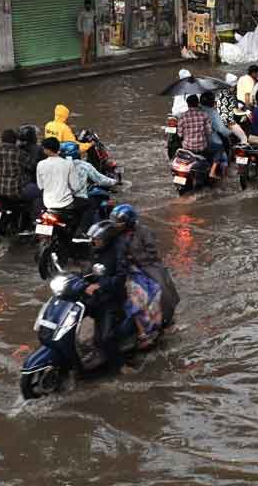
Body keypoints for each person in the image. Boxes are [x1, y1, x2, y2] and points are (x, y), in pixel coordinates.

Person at [111, 204, 179, 328]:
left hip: (148, 265)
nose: (116, 226)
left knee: (161, 288)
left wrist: (135, 259)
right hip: (128, 267)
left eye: (119, 223)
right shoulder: (117, 235)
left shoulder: (144, 231)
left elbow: (152, 253)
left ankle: (166, 318)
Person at [83, 221, 131, 372]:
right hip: (95, 296)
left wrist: (101, 286)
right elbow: (88, 270)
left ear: (107, 239)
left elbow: (121, 277)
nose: (93, 242)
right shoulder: (95, 250)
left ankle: (120, 365)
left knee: (105, 338)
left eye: (97, 239)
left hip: (111, 299)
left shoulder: (118, 253)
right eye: (93, 239)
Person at [61, 141, 117, 233]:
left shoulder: (56, 165)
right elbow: (101, 180)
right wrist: (114, 182)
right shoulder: (84, 166)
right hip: (76, 200)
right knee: (91, 205)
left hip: (56, 200)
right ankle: (81, 232)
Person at [198, 92, 235, 179]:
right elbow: (222, 130)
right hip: (210, 142)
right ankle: (223, 178)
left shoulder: (196, 110)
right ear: (212, 102)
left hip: (194, 141)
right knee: (223, 157)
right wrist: (230, 131)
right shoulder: (213, 113)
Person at [0, 128, 32, 199]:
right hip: (15, 193)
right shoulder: (20, 154)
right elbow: (31, 167)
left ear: (1, 140)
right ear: (15, 140)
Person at [37, 137, 77, 216]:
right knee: (88, 204)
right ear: (58, 148)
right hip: (65, 203)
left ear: (46, 150)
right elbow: (75, 186)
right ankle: (82, 228)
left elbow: (40, 186)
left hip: (47, 203)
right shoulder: (68, 164)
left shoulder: (40, 164)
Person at [176, 93, 211, 159]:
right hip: (202, 147)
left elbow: (179, 134)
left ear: (187, 104)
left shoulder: (183, 116)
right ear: (198, 103)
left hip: (187, 147)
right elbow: (209, 132)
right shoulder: (204, 114)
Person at [77, 0, 96, 67]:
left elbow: (95, 20)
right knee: (85, 47)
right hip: (85, 32)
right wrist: (80, 31)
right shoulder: (82, 13)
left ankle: (89, 62)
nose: (88, 6)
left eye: (89, 5)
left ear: (90, 5)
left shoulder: (93, 12)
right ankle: (82, 63)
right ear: (85, 5)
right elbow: (78, 22)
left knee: (91, 47)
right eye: (87, 5)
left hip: (92, 31)